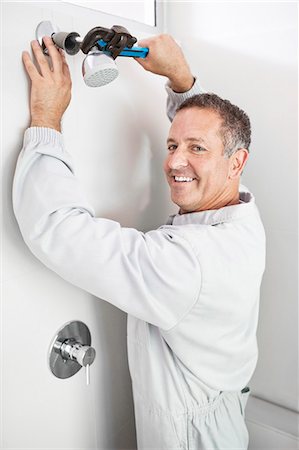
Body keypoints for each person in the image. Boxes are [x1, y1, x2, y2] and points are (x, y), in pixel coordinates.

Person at [13, 34, 266, 449]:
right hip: (223, 415)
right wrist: (181, 80)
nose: (173, 161)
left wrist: (46, 117)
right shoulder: (240, 213)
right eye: (172, 144)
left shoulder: (188, 264)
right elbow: (214, 140)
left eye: (194, 148)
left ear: (235, 162)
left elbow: (56, 227)